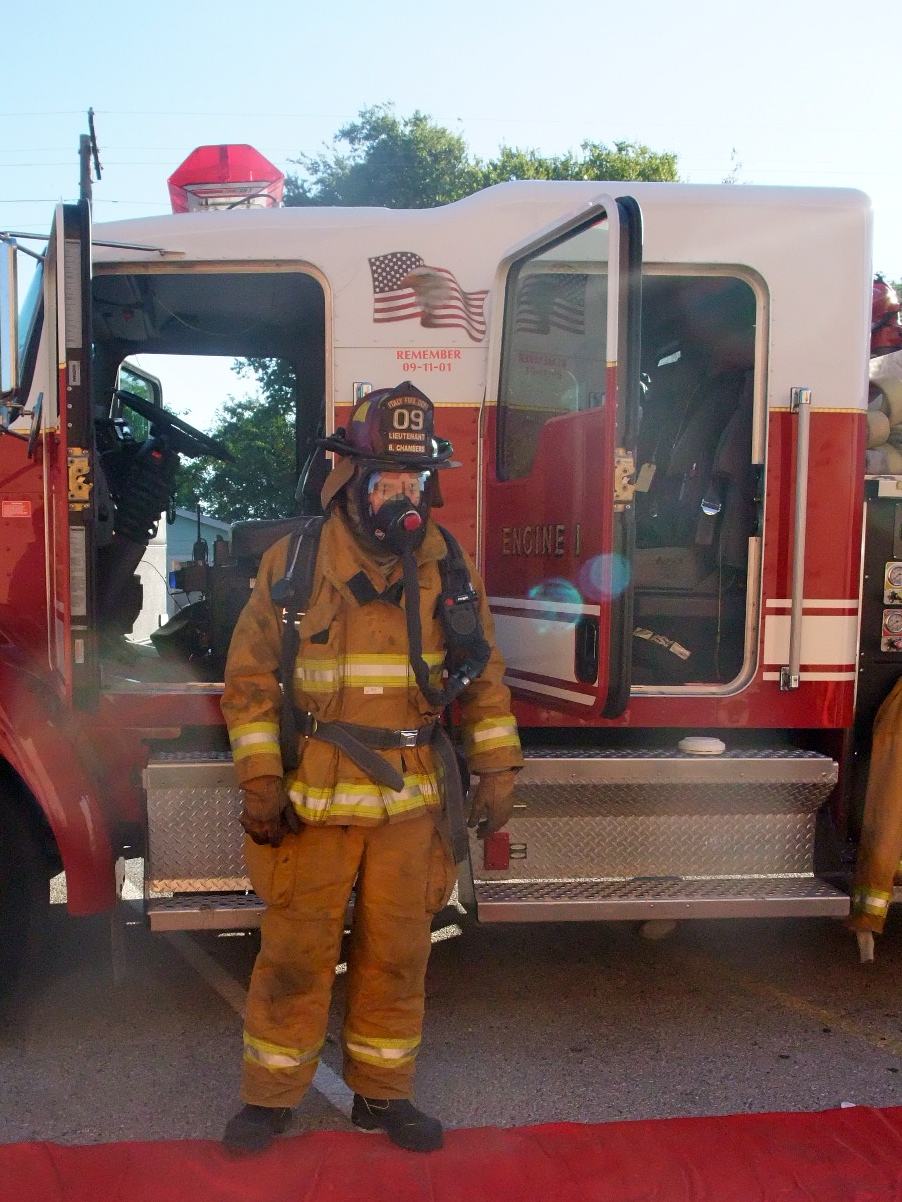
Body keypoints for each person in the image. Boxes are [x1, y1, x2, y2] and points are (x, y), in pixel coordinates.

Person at [220, 382, 523, 1154]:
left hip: (410, 805)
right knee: (295, 954)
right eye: (388, 479)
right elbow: (250, 679)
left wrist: (497, 767)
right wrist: (260, 778)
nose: (402, 497)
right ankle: (269, 1100)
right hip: (315, 801)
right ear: (352, 479)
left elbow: (482, 676)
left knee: (399, 954)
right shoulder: (297, 563)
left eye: (414, 481)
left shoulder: (448, 567)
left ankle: (383, 1096)